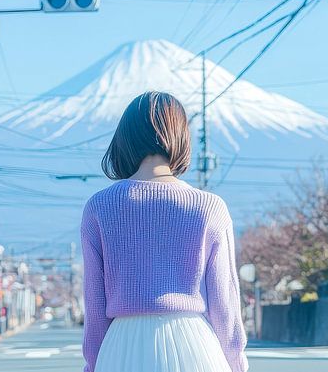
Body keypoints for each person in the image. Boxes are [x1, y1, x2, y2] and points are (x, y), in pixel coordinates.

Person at [80, 91, 249, 372]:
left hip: (121, 348)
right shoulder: (209, 207)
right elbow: (225, 306)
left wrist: (92, 366)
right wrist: (237, 365)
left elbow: (95, 308)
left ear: (124, 139)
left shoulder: (99, 207)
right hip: (194, 346)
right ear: (181, 137)